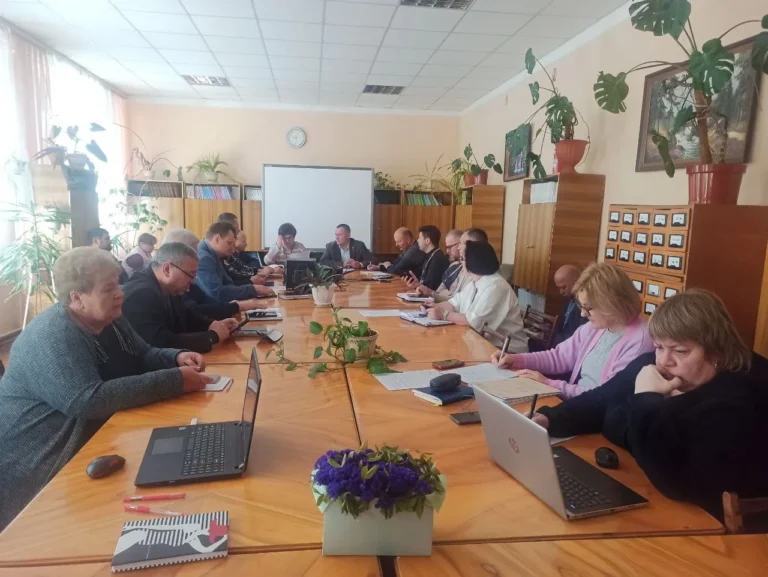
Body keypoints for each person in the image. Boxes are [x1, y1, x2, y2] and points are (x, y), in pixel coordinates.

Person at [0, 247, 213, 531]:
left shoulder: (110, 317)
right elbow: (87, 400)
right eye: (109, 288)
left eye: (118, 284)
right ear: (77, 298)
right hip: (38, 467)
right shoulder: (53, 335)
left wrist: (176, 357)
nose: (120, 294)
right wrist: (174, 380)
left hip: (96, 442)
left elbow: (145, 353)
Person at [532, 289, 768, 523]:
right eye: (659, 347)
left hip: (698, 519)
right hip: (631, 483)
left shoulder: (737, 400)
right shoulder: (655, 366)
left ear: (717, 352)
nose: (664, 360)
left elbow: (681, 483)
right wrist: (550, 419)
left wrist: (647, 400)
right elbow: (601, 400)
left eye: (680, 351)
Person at [492, 262, 654, 399]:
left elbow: (604, 397)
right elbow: (558, 357)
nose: (583, 314)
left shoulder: (640, 342)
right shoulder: (597, 326)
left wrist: (548, 384)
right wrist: (516, 359)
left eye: (588, 308)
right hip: (577, 405)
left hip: (594, 415)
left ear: (611, 304)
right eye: (581, 306)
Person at [122, 243, 239, 353]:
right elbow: (157, 343)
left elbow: (186, 315)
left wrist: (212, 324)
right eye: (190, 274)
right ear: (167, 269)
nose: (193, 281)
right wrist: (212, 336)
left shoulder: (168, 287)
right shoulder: (140, 294)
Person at [427, 241, 527, 353]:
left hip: (507, 352)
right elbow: (454, 303)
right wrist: (431, 307)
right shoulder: (475, 282)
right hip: (480, 342)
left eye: (462, 259)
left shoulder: (496, 286)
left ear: (473, 261)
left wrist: (444, 314)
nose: (460, 263)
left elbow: (474, 322)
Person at [163, 229, 265, 319]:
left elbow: (201, 302)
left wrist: (232, 306)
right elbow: (197, 309)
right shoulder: (205, 257)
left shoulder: (214, 256)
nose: (194, 279)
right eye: (229, 242)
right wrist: (237, 306)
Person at [196, 221, 275, 303]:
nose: (232, 249)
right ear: (217, 239)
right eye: (229, 243)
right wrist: (252, 289)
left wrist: (252, 288)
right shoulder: (204, 257)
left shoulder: (214, 254)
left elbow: (229, 283)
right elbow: (218, 293)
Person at [528, 264, 588, 351]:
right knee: (530, 342)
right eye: (559, 288)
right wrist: (548, 328)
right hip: (558, 343)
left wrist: (550, 337)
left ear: (576, 282)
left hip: (568, 349)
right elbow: (562, 325)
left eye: (563, 287)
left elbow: (578, 336)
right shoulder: (569, 299)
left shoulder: (586, 304)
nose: (561, 292)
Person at [408, 228, 463, 302]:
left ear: (460, 245)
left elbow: (455, 301)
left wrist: (430, 293)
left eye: (449, 247)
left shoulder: (438, 259)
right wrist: (419, 285)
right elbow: (438, 293)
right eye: (447, 247)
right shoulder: (453, 266)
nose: (447, 251)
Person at [405, 225, 449, 291]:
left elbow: (430, 287)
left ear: (427, 240)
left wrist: (418, 286)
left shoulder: (437, 259)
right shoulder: (431, 255)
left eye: (420, 238)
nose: (417, 241)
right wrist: (417, 284)